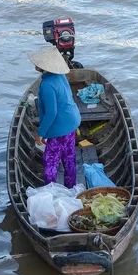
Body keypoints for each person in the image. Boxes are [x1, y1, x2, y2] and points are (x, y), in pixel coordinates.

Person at [28, 46, 81, 188]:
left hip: (60, 127)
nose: (35, 64)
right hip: (72, 121)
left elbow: (52, 113)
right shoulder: (60, 76)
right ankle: (70, 187)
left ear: (44, 67)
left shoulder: (47, 86)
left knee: (50, 161)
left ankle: (50, 190)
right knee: (69, 157)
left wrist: (41, 133)